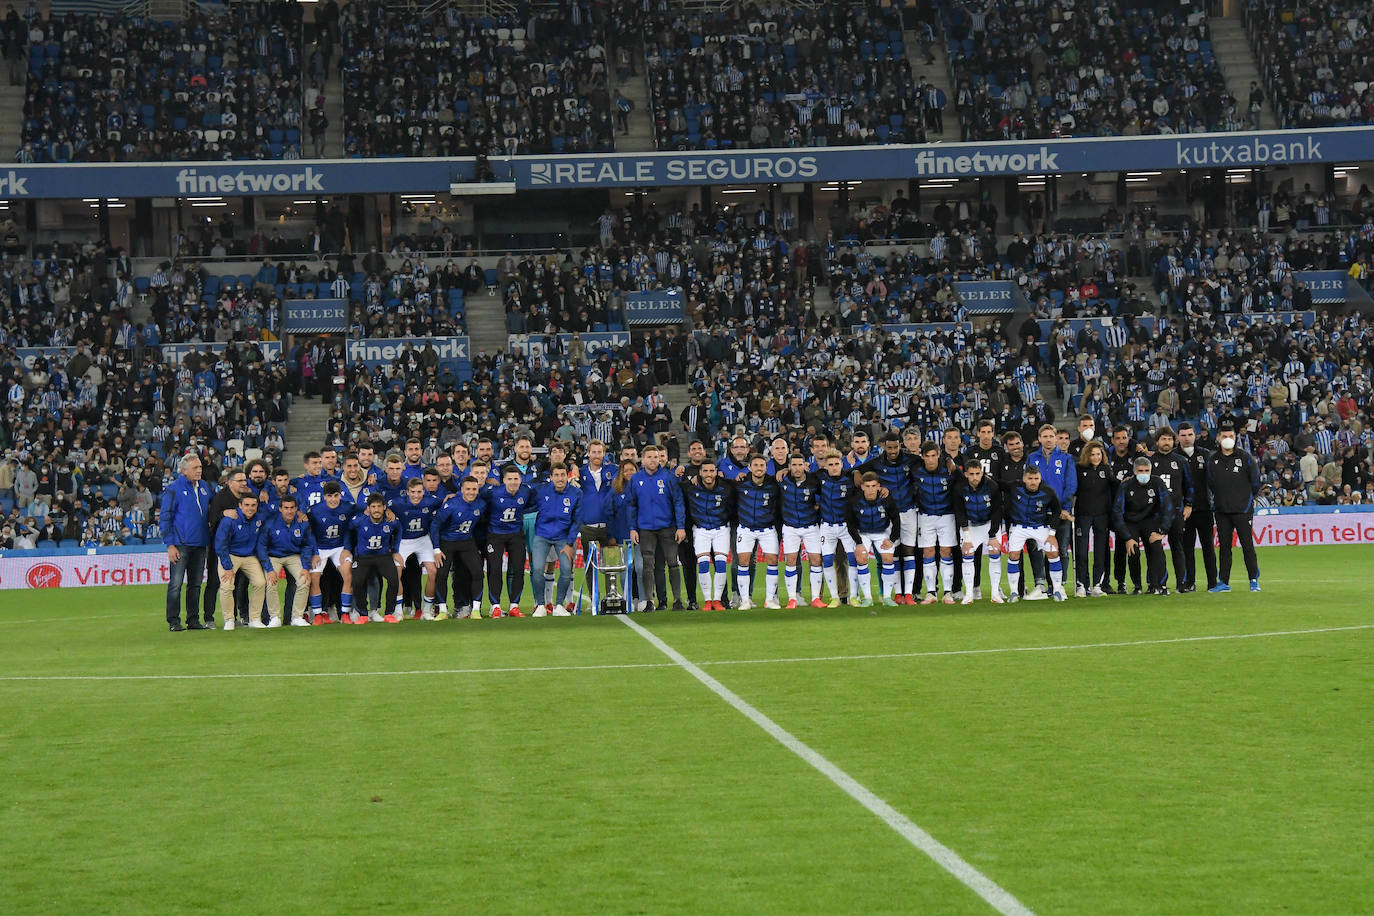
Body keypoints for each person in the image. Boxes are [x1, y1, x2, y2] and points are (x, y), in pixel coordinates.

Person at [856, 433, 918, 603]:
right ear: (884, 446)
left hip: (909, 512)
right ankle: (897, 594)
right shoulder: (876, 462)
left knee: (909, 552)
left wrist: (948, 462)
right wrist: (855, 472)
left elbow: (930, 461)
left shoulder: (910, 459)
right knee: (893, 554)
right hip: (890, 514)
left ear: (900, 445)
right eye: (889, 447)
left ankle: (908, 594)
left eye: (895, 447)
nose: (892, 451)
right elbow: (858, 470)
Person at [628, 445, 687, 611]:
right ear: (643, 459)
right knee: (648, 566)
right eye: (649, 457)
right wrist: (633, 528)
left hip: (668, 527)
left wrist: (680, 526)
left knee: (673, 563)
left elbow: (678, 502)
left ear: (660, 459)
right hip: (645, 529)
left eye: (655, 457)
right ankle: (649, 601)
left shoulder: (669, 477)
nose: (653, 460)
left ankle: (677, 600)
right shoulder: (636, 479)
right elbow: (632, 505)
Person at [1206, 421, 1262, 592]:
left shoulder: (1245, 458)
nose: (1228, 439)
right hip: (1222, 511)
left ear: (1235, 438)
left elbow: (1255, 483)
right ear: (1218, 438)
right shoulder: (1213, 459)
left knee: (1247, 546)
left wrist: (1244, 500)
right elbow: (1211, 483)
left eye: (1231, 436)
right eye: (1224, 436)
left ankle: (1253, 580)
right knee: (1224, 547)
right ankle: (1223, 582)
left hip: (1243, 510)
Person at [161, 453, 214, 631]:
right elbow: (165, 517)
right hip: (180, 544)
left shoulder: (205, 487)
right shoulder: (174, 489)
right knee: (176, 584)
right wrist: (170, 545)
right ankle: (174, 621)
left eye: (200, 467)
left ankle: (193, 620)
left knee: (196, 584)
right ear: (184, 471)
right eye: (195, 468)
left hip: (200, 543)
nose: (199, 471)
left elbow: (214, 508)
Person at [213, 492, 278, 629]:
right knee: (226, 585)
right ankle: (229, 619)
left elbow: (261, 544)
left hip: (249, 556)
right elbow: (220, 545)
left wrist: (269, 568)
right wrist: (228, 567)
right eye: (247, 505)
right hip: (229, 555)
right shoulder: (229, 520)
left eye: (253, 505)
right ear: (240, 505)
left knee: (260, 583)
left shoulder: (260, 519)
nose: (250, 508)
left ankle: (254, 619)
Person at [1003, 465, 1068, 602]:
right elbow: (997, 484)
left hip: (1041, 527)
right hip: (1019, 527)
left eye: (1036, 478)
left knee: (1053, 552)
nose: (1033, 482)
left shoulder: (1048, 492)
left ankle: (1057, 590)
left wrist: (1051, 534)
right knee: (1014, 555)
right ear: (1024, 479)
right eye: (1030, 478)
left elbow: (1057, 511)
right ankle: (1014, 592)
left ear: (1040, 479)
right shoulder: (1015, 487)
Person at [1026, 423, 1077, 598]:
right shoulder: (1032, 458)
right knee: (1037, 548)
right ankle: (1040, 584)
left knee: (1061, 548)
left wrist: (1066, 508)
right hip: (1038, 512)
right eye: (1045, 436)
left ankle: (1059, 585)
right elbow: (1028, 483)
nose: (1048, 439)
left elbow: (1070, 485)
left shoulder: (1066, 458)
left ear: (1056, 438)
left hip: (1060, 511)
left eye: (1051, 436)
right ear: (1039, 438)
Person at [1111, 457, 1172, 596]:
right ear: (1134, 471)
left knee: (1156, 548)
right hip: (1131, 522)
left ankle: (1159, 585)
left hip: (1150, 521)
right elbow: (1117, 512)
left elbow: (1167, 506)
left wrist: (1162, 530)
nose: (1144, 474)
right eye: (1140, 471)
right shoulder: (1125, 486)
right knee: (1134, 551)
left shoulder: (1157, 483)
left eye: (1147, 471)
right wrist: (1127, 537)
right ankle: (1137, 586)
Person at [681, 458, 735, 610]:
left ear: (716, 472)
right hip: (701, 530)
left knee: (720, 563)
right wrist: (678, 473)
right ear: (700, 473)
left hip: (721, 530)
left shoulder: (726, 487)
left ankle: (717, 600)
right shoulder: (690, 487)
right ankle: (707, 601)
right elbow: (676, 487)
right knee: (703, 564)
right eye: (705, 471)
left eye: (712, 470)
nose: (708, 474)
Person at [431, 476, 487, 619]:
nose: (471, 492)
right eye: (468, 489)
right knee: (442, 574)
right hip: (447, 542)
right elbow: (435, 525)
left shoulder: (481, 504)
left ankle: (475, 610)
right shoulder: (452, 504)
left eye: (474, 489)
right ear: (461, 490)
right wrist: (436, 549)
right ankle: (443, 610)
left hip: (466, 542)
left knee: (478, 573)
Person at [530, 463, 582, 617]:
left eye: (563, 475)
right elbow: (527, 504)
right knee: (538, 569)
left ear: (568, 476)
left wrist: (570, 542)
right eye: (557, 475)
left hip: (563, 537)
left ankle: (559, 605)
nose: (560, 479)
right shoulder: (540, 491)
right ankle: (540, 605)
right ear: (551, 477)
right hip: (542, 535)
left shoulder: (576, 493)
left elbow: (577, 520)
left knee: (566, 570)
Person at [732, 453, 782, 610]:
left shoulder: (774, 484)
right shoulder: (740, 484)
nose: (759, 468)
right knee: (743, 562)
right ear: (750, 467)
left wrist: (785, 469)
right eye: (756, 465)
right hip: (745, 528)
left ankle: (770, 600)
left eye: (762, 466)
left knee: (773, 561)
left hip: (767, 529)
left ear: (766, 468)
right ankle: (745, 600)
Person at [388, 478, 443, 620]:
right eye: (413, 492)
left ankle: (426, 610)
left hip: (422, 539)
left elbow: (444, 502)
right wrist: (387, 511)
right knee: (397, 571)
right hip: (403, 540)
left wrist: (450, 497)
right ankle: (398, 610)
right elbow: (382, 505)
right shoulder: (397, 503)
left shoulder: (431, 501)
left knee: (433, 571)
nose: (416, 495)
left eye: (419, 492)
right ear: (407, 492)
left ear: (423, 492)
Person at [845, 471, 901, 607]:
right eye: (867, 486)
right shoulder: (854, 501)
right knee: (862, 558)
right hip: (863, 533)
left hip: (882, 532)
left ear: (878, 486)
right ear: (862, 487)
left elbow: (896, 519)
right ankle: (867, 598)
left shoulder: (887, 499)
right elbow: (850, 524)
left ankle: (887, 597)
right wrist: (858, 543)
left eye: (873, 486)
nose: (870, 490)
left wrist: (892, 540)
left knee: (888, 559)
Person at [912, 441, 958, 604]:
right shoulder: (916, 470)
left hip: (947, 515)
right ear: (922, 457)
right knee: (928, 552)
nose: (931, 460)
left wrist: (948, 459)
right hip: (925, 516)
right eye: (927, 456)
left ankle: (947, 593)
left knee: (946, 551)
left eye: (934, 456)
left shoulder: (949, 469)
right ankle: (931, 592)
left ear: (938, 455)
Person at [485, 466, 534, 617]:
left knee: (518, 569)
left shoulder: (526, 491)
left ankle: (514, 606)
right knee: (495, 569)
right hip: (495, 534)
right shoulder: (492, 493)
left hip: (515, 534)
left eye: (516, 479)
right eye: (510, 479)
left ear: (520, 480)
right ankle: (495, 606)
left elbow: (534, 502)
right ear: (504, 480)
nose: (513, 482)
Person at [305, 481, 356, 624]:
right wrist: (315, 552)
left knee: (348, 574)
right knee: (314, 577)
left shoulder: (348, 507)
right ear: (324, 497)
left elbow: (364, 511)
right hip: (320, 548)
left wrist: (347, 548)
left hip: (339, 547)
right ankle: (318, 615)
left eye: (336, 496)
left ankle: (345, 614)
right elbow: (310, 533)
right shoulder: (314, 511)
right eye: (329, 496)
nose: (333, 499)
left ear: (340, 495)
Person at [953, 461, 1004, 604]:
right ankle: (969, 594)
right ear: (966, 474)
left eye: (977, 473)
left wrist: (993, 535)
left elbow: (996, 512)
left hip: (988, 524)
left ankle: (995, 594)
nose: (975, 477)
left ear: (982, 473)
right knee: (968, 554)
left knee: (995, 552)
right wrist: (967, 537)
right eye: (971, 474)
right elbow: (960, 513)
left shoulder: (992, 486)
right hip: (970, 526)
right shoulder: (959, 489)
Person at [778, 452, 824, 608]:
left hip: (811, 526)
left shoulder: (814, 481)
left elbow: (822, 496)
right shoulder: (782, 480)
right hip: (790, 527)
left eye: (800, 465)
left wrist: (818, 506)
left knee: (816, 560)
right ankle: (792, 599)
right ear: (789, 466)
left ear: (805, 465)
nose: (797, 468)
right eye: (794, 465)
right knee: (790, 560)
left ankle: (815, 598)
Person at [263, 494, 316, 627]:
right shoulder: (270, 523)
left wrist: (305, 566)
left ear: (296, 508)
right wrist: (269, 569)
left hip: (293, 556)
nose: (289, 511)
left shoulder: (302, 523)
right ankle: (274, 617)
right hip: (273, 556)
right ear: (280, 509)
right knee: (270, 581)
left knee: (304, 580)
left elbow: (307, 545)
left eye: (292, 508)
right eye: (286, 508)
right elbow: (261, 546)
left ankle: (297, 617)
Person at [1176, 423, 1217, 592]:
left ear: (1195, 435)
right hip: (1183, 511)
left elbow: (1214, 481)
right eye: (1183, 435)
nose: (1187, 438)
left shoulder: (1205, 455)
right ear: (1178, 437)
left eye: (1190, 434)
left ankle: (1212, 582)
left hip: (1204, 508)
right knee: (1187, 548)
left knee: (1208, 547)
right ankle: (1189, 581)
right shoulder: (1174, 457)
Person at [1149, 428, 1192, 591]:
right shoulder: (1150, 461)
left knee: (1177, 547)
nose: (1166, 442)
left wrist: (1188, 504)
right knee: (1154, 548)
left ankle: (1181, 583)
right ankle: (1156, 583)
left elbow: (1189, 485)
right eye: (1163, 439)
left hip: (1176, 511)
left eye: (1169, 439)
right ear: (1157, 441)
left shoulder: (1181, 461)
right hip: (1155, 512)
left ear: (1174, 441)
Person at [350, 494, 403, 623]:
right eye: (373, 507)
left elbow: (399, 530)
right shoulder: (359, 521)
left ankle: (389, 613)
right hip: (363, 557)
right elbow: (348, 532)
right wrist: (348, 549)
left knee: (393, 579)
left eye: (379, 506)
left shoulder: (391, 521)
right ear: (368, 509)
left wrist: (395, 550)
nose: (376, 509)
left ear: (384, 507)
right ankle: (363, 613)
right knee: (357, 581)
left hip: (383, 556)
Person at [817, 449, 859, 607]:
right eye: (830, 465)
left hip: (846, 527)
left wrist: (856, 469)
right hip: (827, 526)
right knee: (827, 560)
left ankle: (853, 596)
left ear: (842, 464)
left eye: (836, 464)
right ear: (826, 466)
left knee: (852, 560)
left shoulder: (849, 479)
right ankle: (834, 597)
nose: (834, 467)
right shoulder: (820, 478)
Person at [1073, 440, 1114, 596]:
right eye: (1092, 454)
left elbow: (1115, 487)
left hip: (1102, 515)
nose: (1096, 457)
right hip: (1083, 515)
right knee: (1082, 552)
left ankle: (1097, 585)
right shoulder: (1078, 469)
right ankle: (1082, 585)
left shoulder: (1106, 469)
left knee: (1100, 552)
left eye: (1098, 454)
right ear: (1086, 455)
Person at [1107, 425, 1144, 594]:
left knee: (1133, 548)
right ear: (1113, 440)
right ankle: (1120, 582)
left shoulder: (1136, 455)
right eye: (1118, 438)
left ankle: (1138, 584)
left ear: (1128, 439)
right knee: (1120, 549)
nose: (1121, 441)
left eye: (1124, 438)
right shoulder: (1107, 456)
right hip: (1112, 509)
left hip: (1133, 509)